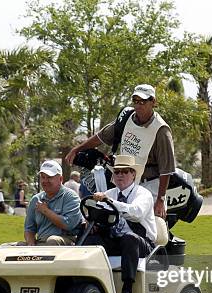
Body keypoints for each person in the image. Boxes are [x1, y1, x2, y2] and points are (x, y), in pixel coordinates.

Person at [65, 84, 175, 219]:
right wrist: (77, 149)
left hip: (149, 184)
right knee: (117, 222)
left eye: (143, 101)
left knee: (146, 225)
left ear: (153, 102)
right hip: (125, 182)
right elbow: (101, 137)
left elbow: (166, 169)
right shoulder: (127, 118)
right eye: (135, 101)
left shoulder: (161, 130)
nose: (138, 105)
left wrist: (160, 199)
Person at [85, 155, 157, 293]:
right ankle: (87, 285)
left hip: (142, 244)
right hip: (115, 241)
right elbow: (100, 216)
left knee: (129, 239)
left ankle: (127, 290)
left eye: (124, 172)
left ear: (133, 174)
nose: (120, 175)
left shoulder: (143, 194)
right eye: (117, 172)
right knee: (90, 239)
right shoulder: (109, 194)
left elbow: (136, 213)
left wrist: (110, 202)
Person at [23, 160, 82, 246]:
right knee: (7, 248)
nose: (45, 181)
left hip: (65, 242)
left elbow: (68, 224)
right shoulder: (36, 199)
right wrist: (30, 243)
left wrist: (45, 211)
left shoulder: (70, 197)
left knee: (52, 241)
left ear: (60, 179)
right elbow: (29, 228)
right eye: (43, 177)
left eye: (49, 177)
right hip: (41, 243)